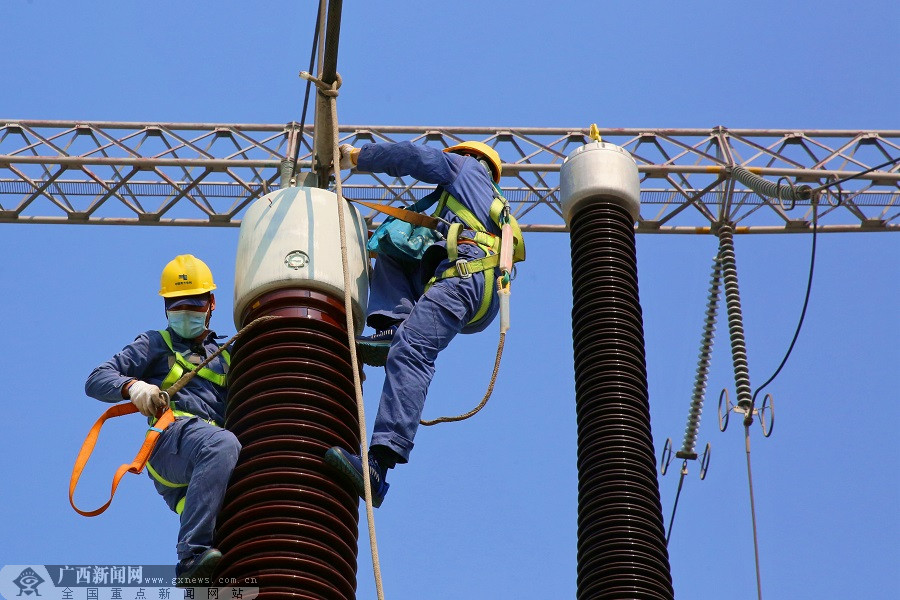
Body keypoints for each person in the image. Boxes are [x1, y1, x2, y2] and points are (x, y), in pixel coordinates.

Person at [325, 140, 522, 507]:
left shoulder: (464, 170)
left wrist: (356, 157)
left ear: (469, 157)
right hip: (474, 283)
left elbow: (414, 157)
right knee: (394, 239)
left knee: (412, 350)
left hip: (465, 275)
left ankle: (378, 468)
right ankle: (391, 326)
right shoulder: (483, 202)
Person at [84, 254, 239, 584]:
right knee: (220, 443)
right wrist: (133, 386)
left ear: (211, 304)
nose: (185, 311)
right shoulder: (156, 343)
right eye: (176, 304)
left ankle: (207, 579)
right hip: (173, 443)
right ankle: (190, 556)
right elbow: (97, 378)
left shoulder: (227, 355)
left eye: (193, 303)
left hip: (213, 458)